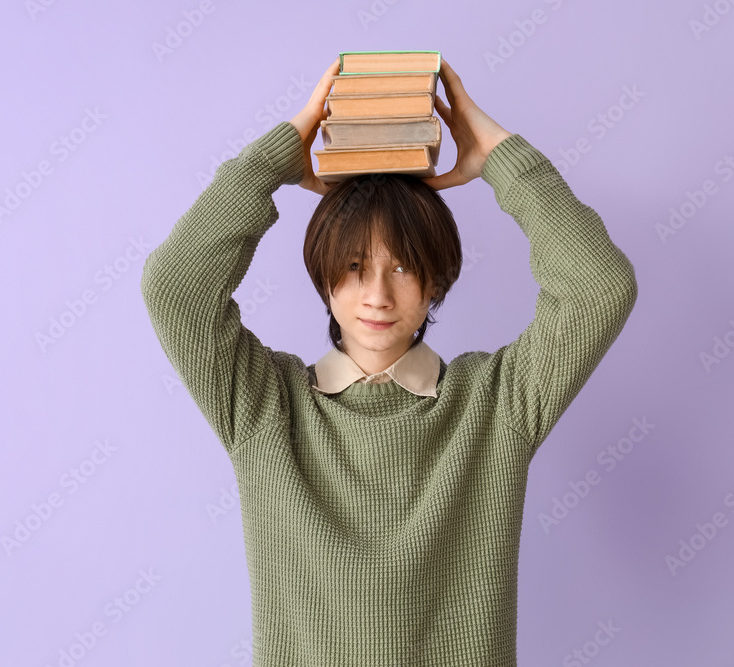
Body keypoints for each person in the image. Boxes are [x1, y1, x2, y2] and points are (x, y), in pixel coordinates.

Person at [141, 55, 637, 666]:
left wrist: (499, 157)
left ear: (436, 281)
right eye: (354, 268)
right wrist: (274, 160)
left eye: (402, 267)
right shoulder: (264, 406)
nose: (377, 294)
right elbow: (174, 287)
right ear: (325, 281)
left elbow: (600, 287)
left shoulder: (497, 402)